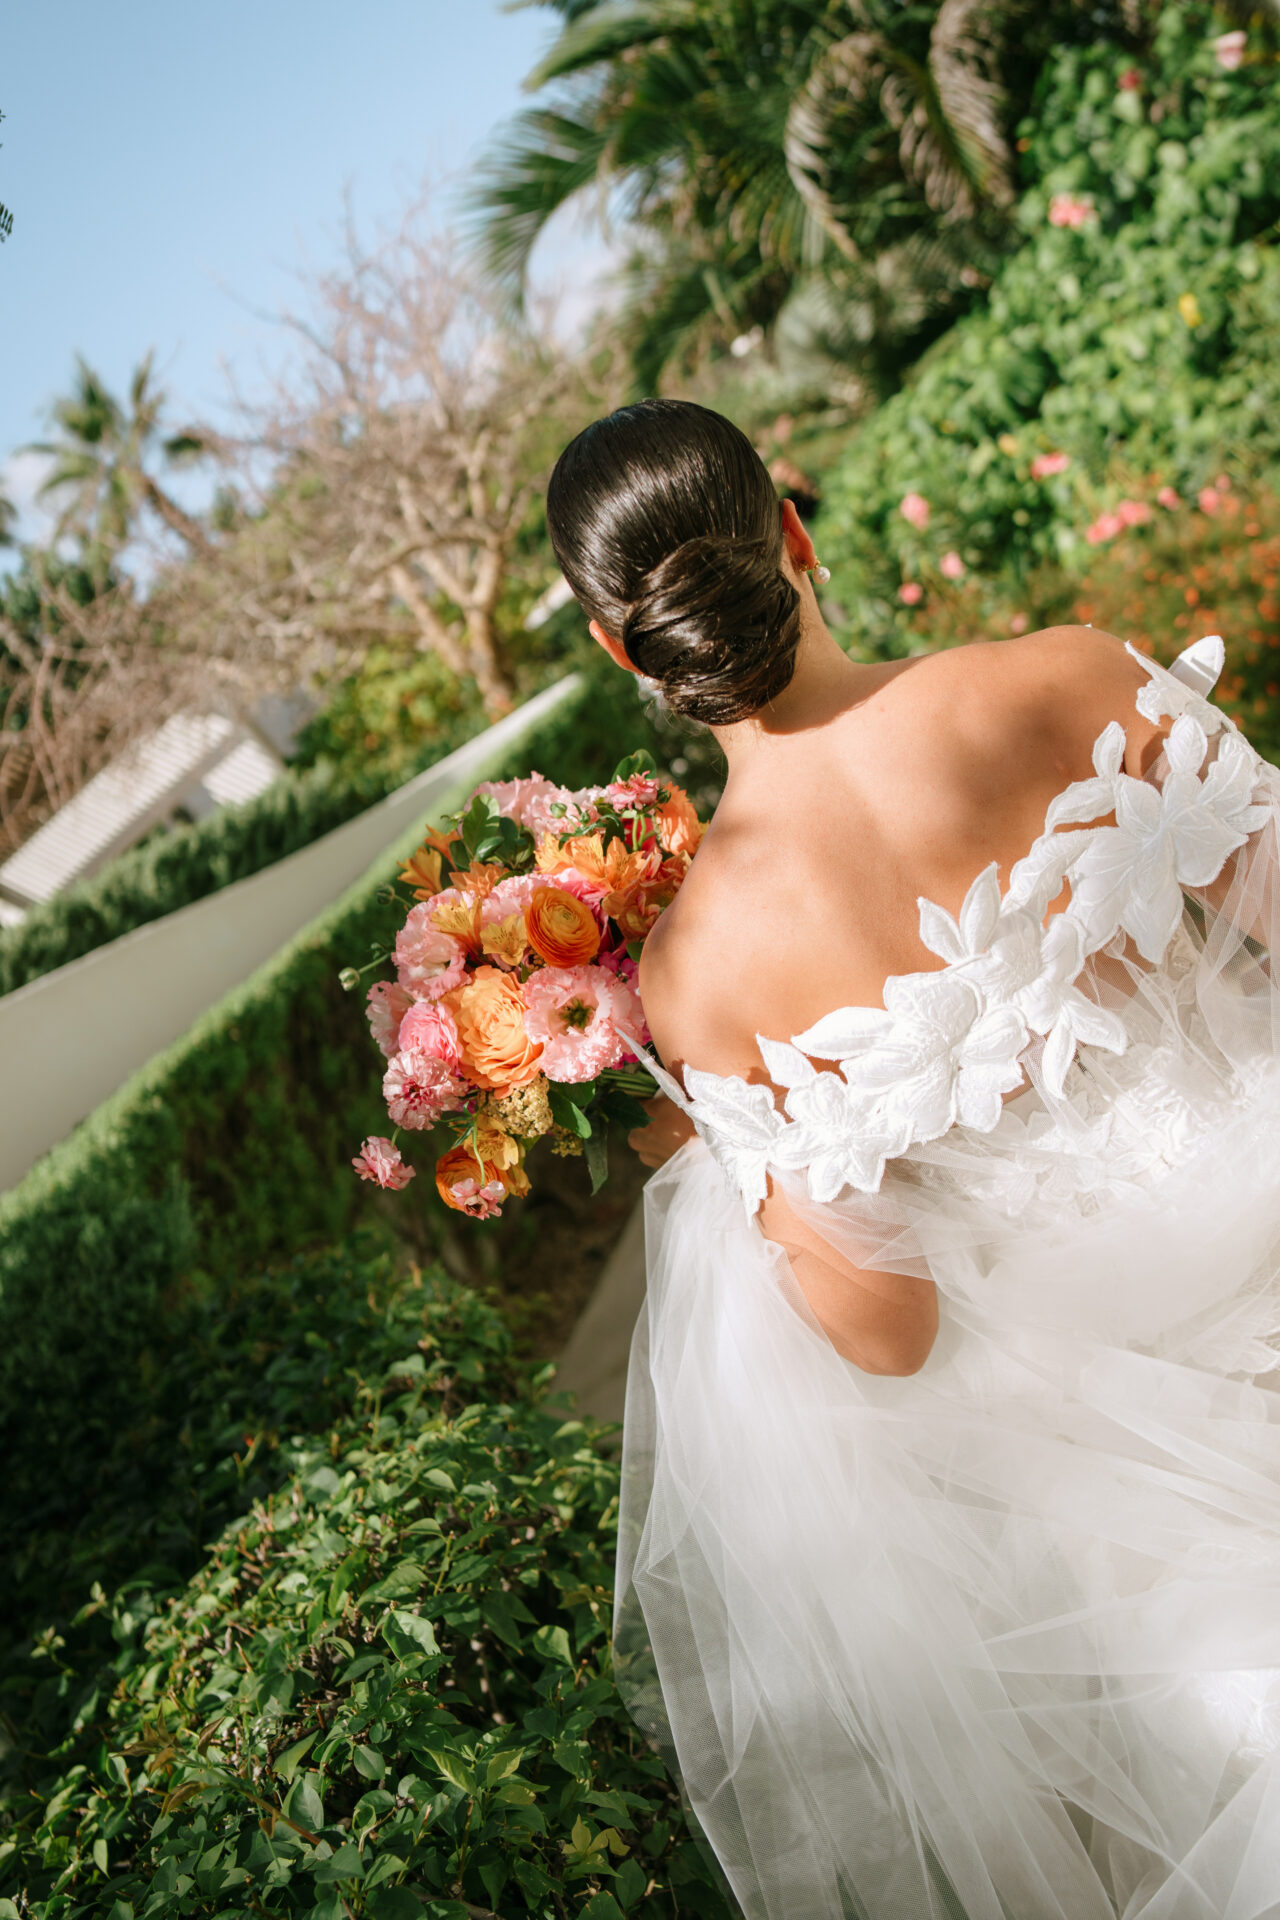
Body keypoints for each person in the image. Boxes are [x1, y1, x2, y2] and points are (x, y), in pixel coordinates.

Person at [545, 397, 1280, 1920]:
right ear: (795, 537)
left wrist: (737, 1180)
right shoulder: (1066, 678)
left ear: (628, 650)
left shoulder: (699, 978)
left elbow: (889, 1335)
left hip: (1107, 1470)